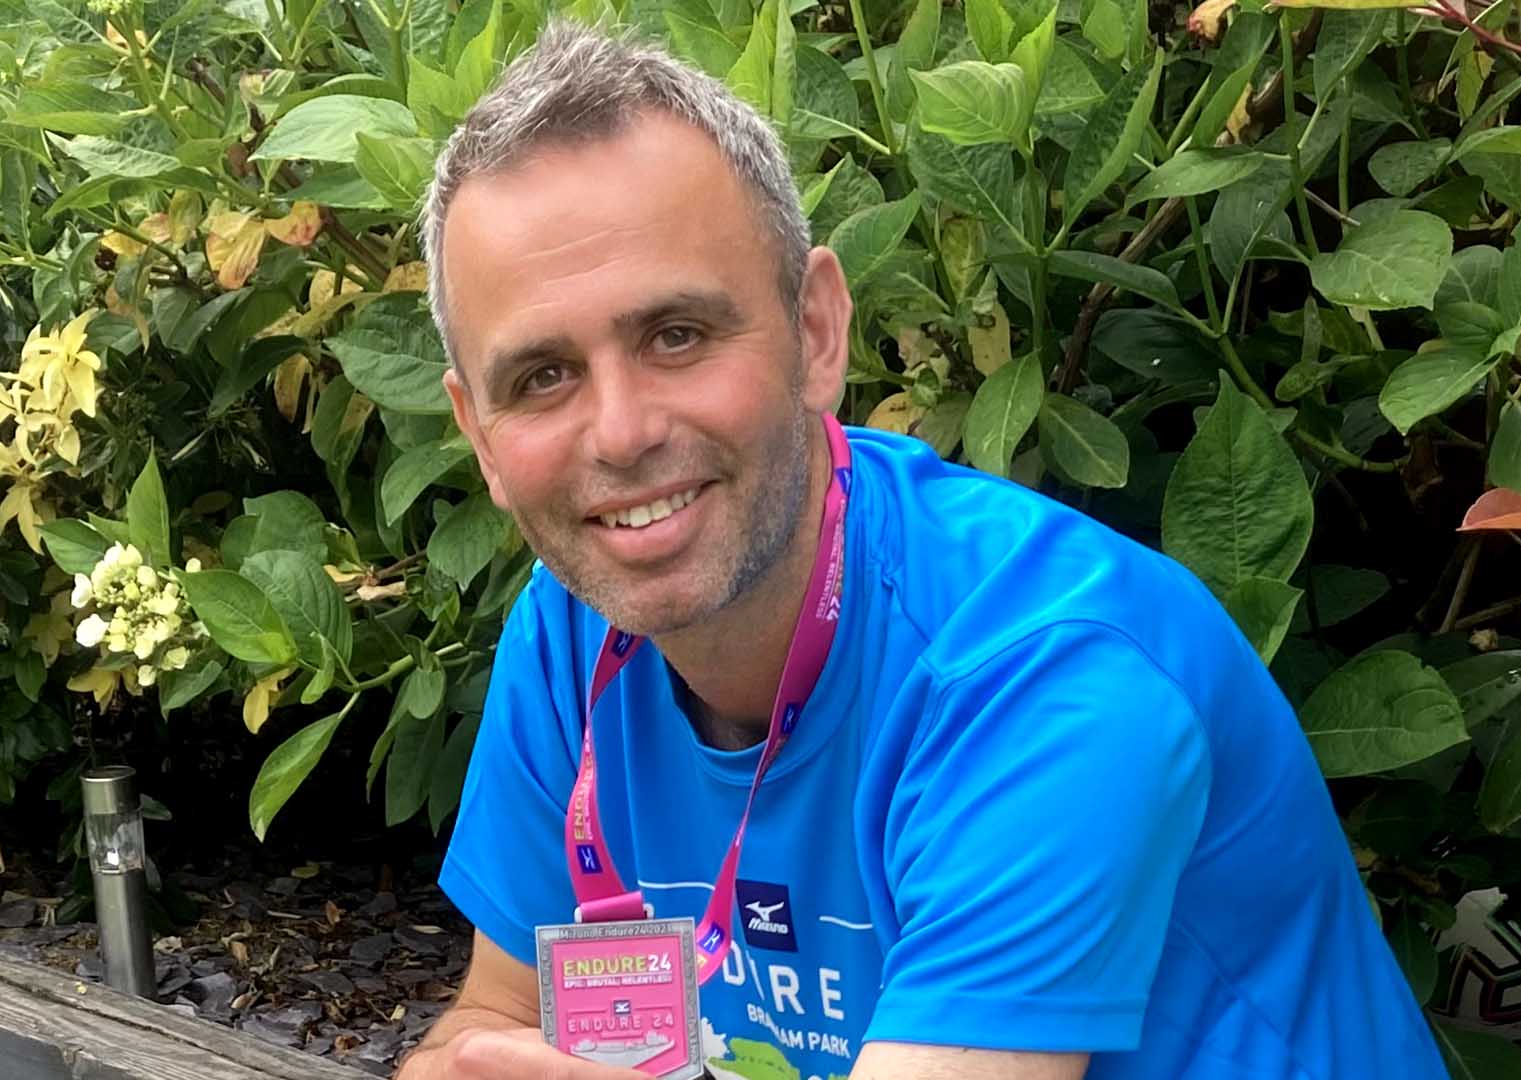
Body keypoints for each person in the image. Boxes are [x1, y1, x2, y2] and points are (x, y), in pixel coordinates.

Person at [396, 21, 1446, 1080]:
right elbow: (493, 1017)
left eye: (677, 335)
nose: (620, 434)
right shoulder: (575, 627)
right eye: (541, 378)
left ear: (815, 332)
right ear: (479, 434)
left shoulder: (1044, 676)